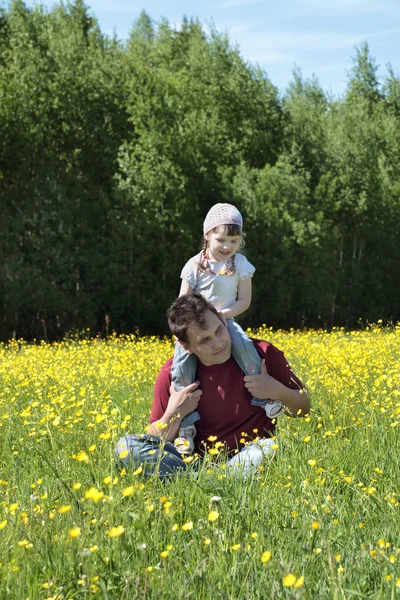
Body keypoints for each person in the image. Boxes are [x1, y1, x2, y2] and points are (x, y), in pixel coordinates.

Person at [114, 294, 310, 477]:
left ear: (223, 320)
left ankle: (202, 484)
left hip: (248, 456)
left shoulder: (261, 355)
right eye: (205, 340)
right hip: (191, 462)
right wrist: (175, 412)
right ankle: (207, 482)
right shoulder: (172, 375)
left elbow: (304, 408)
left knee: (269, 449)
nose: (218, 343)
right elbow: (154, 441)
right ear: (185, 346)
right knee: (126, 447)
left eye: (219, 330)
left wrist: (275, 389)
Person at [171, 203, 284, 456]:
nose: (227, 246)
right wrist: (183, 334)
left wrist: (223, 315)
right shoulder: (194, 265)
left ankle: (264, 400)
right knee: (181, 366)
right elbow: (182, 303)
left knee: (245, 347)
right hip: (196, 328)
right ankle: (186, 428)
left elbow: (244, 301)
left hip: (224, 321)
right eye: (221, 239)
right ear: (207, 236)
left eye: (234, 240)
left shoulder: (241, 265)